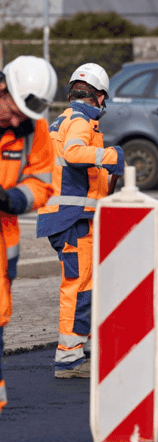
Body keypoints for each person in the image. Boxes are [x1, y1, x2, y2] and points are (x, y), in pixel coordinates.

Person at [37, 63, 125, 379]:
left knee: (82, 283)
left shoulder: (60, 120)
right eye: (104, 99)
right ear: (99, 96)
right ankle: (70, 358)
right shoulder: (80, 120)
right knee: (78, 285)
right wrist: (112, 157)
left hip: (63, 216)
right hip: (72, 219)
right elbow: (75, 154)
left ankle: (77, 348)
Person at [0, 56, 59, 410]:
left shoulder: (34, 130)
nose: (19, 119)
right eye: (15, 109)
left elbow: (43, 181)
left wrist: (11, 199)